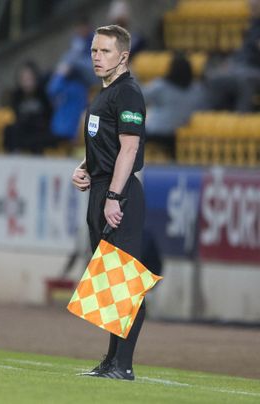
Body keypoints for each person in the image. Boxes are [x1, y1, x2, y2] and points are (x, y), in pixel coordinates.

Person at [72, 25, 146, 381]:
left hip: (120, 195)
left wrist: (114, 196)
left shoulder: (128, 93)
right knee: (108, 281)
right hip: (101, 190)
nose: (97, 57)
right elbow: (108, 146)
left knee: (126, 281)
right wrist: (84, 168)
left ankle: (124, 365)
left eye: (104, 51)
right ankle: (111, 361)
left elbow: (129, 149)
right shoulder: (103, 94)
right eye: (93, 51)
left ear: (123, 56)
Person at [142, 52, 209, 158]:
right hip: (179, 134)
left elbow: (141, 97)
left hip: (155, 131)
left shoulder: (161, 86)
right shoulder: (197, 89)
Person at [205, 0, 260, 112]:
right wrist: (230, 62)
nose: (251, 9)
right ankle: (216, 117)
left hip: (253, 69)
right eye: (250, 7)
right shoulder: (253, 23)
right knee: (213, 77)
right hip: (240, 65)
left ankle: (242, 120)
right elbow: (243, 51)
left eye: (254, 6)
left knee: (244, 81)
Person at [3, 61, 53, 154]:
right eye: (24, 79)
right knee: (10, 129)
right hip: (24, 127)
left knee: (43, 134)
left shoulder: (42, 94)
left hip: (38, 128)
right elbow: (16, 115)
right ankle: (14, 154)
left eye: (29, 79)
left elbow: (48, 114)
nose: (27, 83)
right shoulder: (17, 95)